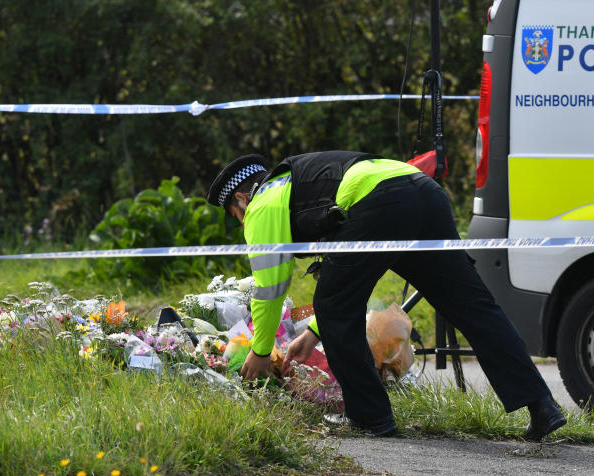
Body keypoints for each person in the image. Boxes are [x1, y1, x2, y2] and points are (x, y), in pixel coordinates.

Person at [206, 151, 566, 439]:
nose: (241, 222)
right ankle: (541, 404)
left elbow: (270, 290)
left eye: (236, 214)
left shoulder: (262, 203)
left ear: (241, 197)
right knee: (472, 306)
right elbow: (347, 273)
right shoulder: (294, 184)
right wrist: (314, 333)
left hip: (382, 203)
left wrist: (261, 351)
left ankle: (370, 419)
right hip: (422, 192)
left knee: (332, 305)